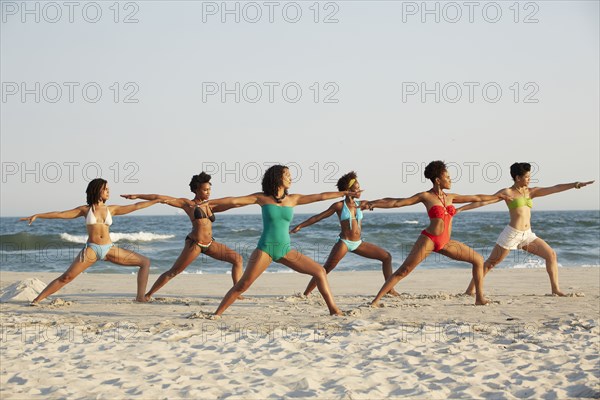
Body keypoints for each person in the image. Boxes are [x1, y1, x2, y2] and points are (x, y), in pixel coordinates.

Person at [209, 164, 359, 316]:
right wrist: (209, 202)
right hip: (265, 249)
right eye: (287, 175)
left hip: (285, 250)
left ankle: (334, 310)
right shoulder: (262, 198)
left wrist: (344, 192)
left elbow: (321, 196)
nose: (290, 178)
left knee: (320, 272)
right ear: (277, 177)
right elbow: (234, 201)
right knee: (243, 285)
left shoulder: (293, 199)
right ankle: (216, 314)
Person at [368, 161, 509, 306]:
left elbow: (477, 198)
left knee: (478, 260)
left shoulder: (450, 197)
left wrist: (499, 197)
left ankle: (479, 299)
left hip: (446, 242)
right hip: (429, 240)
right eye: (447, 177)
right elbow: (397, 203)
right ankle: (375, 301)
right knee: (404, 270)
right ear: (437, 180)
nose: (450, 180)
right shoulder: (426, 196)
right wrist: (374, 203)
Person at [21, 178, 164, 304]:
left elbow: (136, 206)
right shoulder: (85, 210)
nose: (108, 192)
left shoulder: (111, 209)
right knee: (67, 277)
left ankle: (140, 297)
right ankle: (37, 300)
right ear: (97, 190)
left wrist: (156, 201)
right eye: (105, 189)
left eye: (108, 189)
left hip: (109, 248)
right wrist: (38, 215)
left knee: (145, 262)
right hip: (92, 250)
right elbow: (61, 214)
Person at [460, 162, 594, 296]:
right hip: (512, 234)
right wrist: (460, 209)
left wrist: (575, 184)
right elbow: (484, 201)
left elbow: (555, 188)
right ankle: (470, 290)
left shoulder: (531, 192)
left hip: (527, 235)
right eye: (527, 177)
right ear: (518, 178)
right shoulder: (507, 192)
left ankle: (555, 289)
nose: (529, 179)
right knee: (490, 263)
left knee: (551, 255)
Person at [121, 172, 244, 301]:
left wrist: (255, 200)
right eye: (205, 189)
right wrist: (138, 196)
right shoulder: (188, 204)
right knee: (174, 271)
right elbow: (160, 198)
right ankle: (148, 295)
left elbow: (233, 201)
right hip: (195, 244)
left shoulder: (210, 204)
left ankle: (237, 292)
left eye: (209, 189)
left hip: (210, 244)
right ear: (197, 190)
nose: (208, 192)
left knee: (237, 259)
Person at [290, 171, 399, 297]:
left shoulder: (361, 204)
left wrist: (397, 202)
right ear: (348, 189)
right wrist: (300, 226)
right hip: (344, 243)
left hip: (358, 243)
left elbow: (382, 201)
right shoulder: (339, 206)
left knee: (386, 257)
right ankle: (306, 293)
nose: (360, 190)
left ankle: (390, 289)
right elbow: (319, 217)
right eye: (357, 188)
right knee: (326, 269)